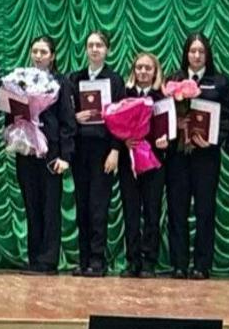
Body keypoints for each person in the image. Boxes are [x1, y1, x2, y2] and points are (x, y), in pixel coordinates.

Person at [165, 33, 229, 280]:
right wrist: (175, 125)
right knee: (177, 209)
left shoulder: (220, 82)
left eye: (201, 51)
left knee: (205, 209)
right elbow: (162, 115)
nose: (196, 55)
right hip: (178, 156)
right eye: (192, 51)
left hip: (206, 157)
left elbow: (227, 119)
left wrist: (213, 139)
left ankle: (202, 265)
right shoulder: (174, 79)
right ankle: (179, 264)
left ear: (208, 55)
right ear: (186, 53)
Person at [67, 31, 124, 277]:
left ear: (107, 49)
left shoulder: (115, 80)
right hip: (80, 151)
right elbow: (66, 114)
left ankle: (98, 260)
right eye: (90, 45)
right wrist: (75, 118)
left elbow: (121, 118)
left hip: (103, 151)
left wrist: (115, 150)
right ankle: (83, 259)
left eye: (99, 45)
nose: (94, 49)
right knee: (82, 206)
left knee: (98, 207)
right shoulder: (74, 78)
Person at [17, 35, 75, 275]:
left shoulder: (61, 82)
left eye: (43, 52)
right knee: (31, 205)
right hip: (27, 150)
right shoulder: (21, 80)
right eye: (35, 51)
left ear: (52, 56)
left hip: (51, 153)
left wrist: (65, 156)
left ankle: (48, 260)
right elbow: (12, 113)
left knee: (50, 206)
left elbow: (68, 121)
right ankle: (34, 258)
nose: (38, 56)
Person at [118, 51, 165, 278]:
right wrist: (123, 141)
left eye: (148, 68)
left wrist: (166, 140)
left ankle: (149, 261)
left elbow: (168, 128)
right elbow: (114, 126)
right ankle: (132, 260)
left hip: (154, 163)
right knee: (131, 213)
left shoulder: (162, 98)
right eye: (139, 67)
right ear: (133, 71)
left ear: (155, 72)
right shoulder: (124, 96)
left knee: (152, 213)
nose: (143, 72)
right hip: (129, 163)